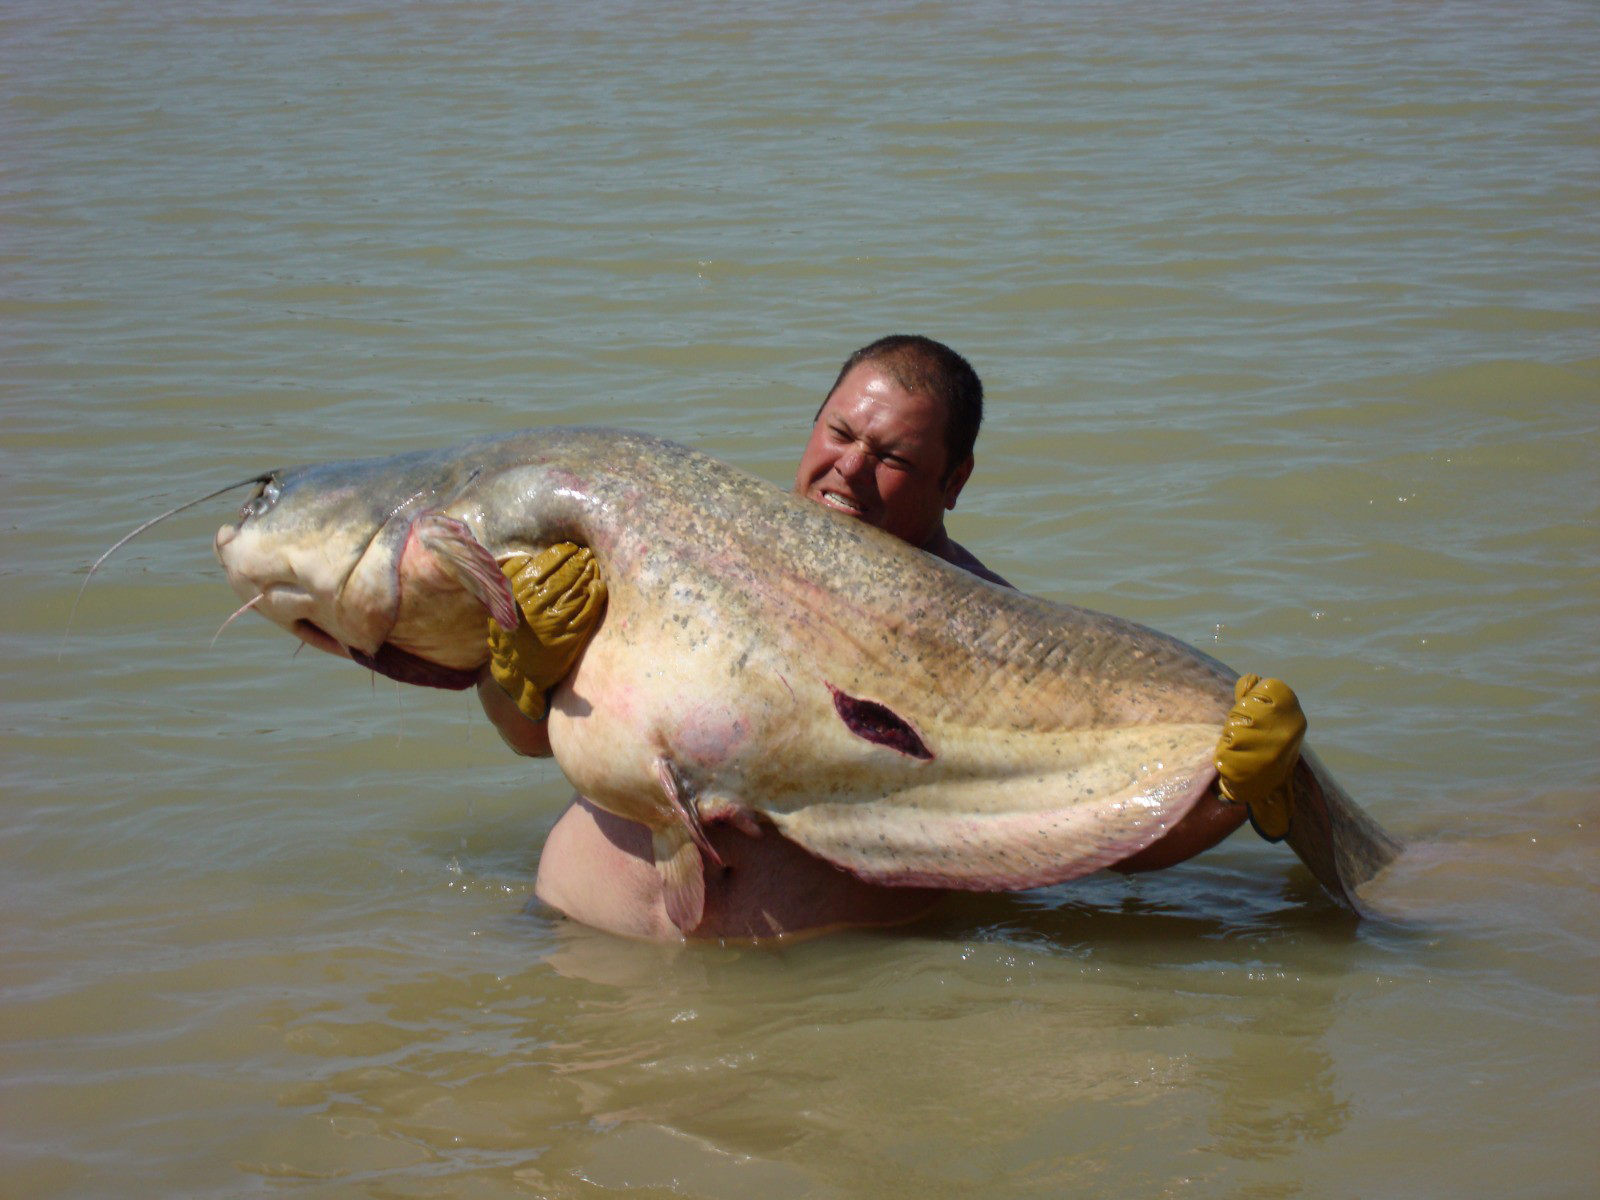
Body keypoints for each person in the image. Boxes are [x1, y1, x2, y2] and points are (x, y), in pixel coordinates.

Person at [476, 335, 1304, 940]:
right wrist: (520, 666)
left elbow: (1090, 835)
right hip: (574, 945)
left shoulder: (998, 641)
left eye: (892, 456)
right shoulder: (679, 548)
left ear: (954, 481)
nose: (849, 469)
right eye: (839, 434)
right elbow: (526, 736)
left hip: (809, 1010)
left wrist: (1228, 793)